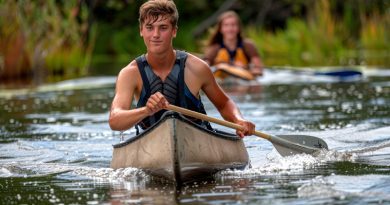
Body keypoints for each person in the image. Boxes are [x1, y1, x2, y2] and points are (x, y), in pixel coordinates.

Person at [109, 0, 255, 138]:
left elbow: (224, 103)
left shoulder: (197, 67)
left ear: (174, 31)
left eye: (163, 28)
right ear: (141, 31)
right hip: (151, 144)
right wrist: (146, 110)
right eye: (149, 28)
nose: (155, 35)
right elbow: (115, 119)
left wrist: (239, 120)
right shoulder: (129, 73)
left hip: (198, 140)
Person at [204, 10, 263, 77]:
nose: (230, 29)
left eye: (233, 25)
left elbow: (258, 68)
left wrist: (246, 68)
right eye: (226, 25)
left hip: (243, 80)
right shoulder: (214, 48)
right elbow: (205, 66)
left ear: (238, 28)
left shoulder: (248, 45)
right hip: (221, 82)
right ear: (220, 29)